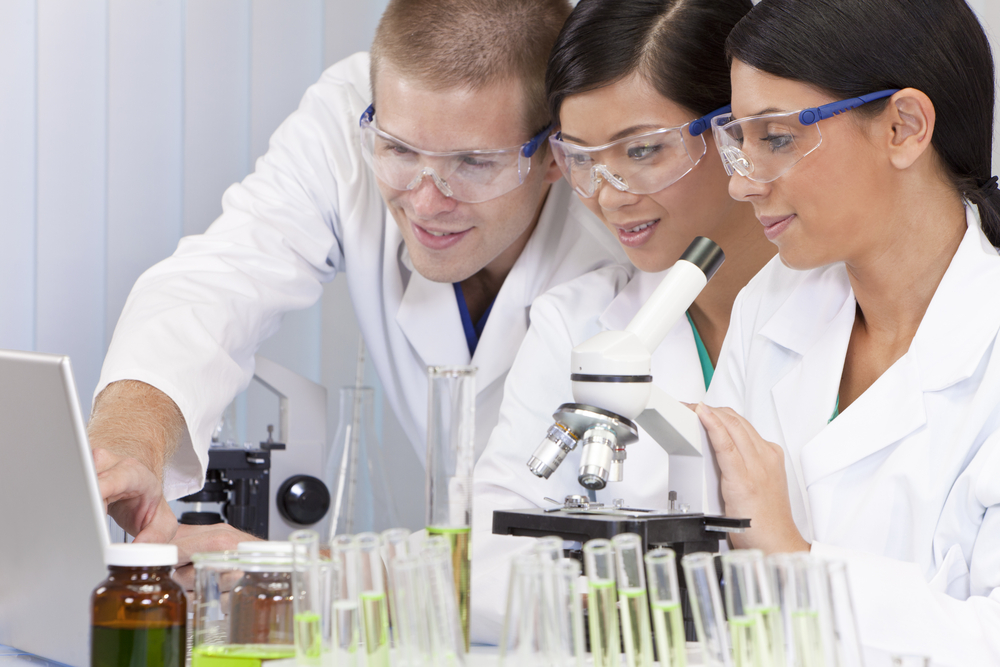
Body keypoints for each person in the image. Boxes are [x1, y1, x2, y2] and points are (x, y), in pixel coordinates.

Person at [88, 0, 628, 547]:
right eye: (397, 149)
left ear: (555, 155)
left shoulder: (624, 227)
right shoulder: (352, 114)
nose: (425, 202)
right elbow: (218, 280)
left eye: (474, 163)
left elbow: (550, 541)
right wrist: (129, 443)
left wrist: (294, 575)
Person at [695, 0, 1000, 662]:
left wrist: (794, 558)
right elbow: (714, 589)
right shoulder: (773, 303)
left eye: (775, 138)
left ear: (903, 127)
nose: (742, 182)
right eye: (738, 139)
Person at [469, 0, 776, 643]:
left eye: (642, 150)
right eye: (582, 158)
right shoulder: (575, 322)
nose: (611, 193)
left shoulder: (844, 312)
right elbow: (489, 553)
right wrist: (627, 610)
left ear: (736, 130)